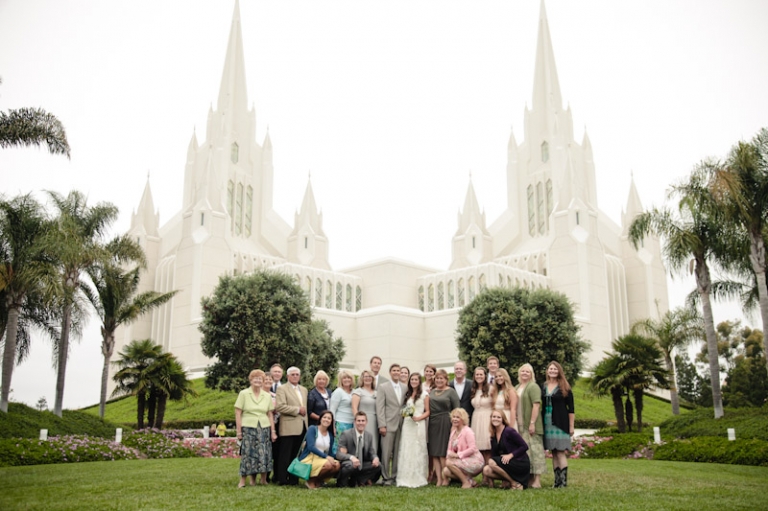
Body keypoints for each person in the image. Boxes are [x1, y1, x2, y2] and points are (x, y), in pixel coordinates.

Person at [234, 369, 277, 487]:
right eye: (255, 378)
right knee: (248, 454)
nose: (258, 381)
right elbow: (238, 412)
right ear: (251, 380)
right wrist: (239, 431)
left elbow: (270, 414)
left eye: (260, 379)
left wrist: (273, 431)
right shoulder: (243, 393)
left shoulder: (267, 396)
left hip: (264, 426)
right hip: (248, 426)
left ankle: (263, 479)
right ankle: (243, 480)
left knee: (264, 453)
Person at [543, 361, 575, 488]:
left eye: (555, 369)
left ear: (559, 371)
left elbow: (571, 409)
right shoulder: (544, 386)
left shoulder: (565, 387)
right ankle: (556, 482)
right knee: (554, 452)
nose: (552, 371)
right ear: (547, 371)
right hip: (547, 421)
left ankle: (564, 482)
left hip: (560, 423)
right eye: (550, 369)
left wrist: (571, 426)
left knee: (560, 451)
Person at [274, 366, 308, 486]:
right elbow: (280, 406)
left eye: (297, 374)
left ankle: (294, 479)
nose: (295, 376)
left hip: (302, 426)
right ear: (287, 376)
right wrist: (297, 410)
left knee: (296, 454)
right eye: (292, 374)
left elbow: (306, 409)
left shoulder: (304, 389)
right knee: (285, 454)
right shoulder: (282, 389)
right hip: (288, 425)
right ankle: (282, 479)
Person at [396, 371, 430, 488]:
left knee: (417, 448)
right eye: (412, 380)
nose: (414, 381)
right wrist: (405, 413)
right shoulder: (407, 394)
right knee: (407, 447)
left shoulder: (424, 394)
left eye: (416, 379)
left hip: (418, 424)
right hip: (407, 424)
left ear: (419, 381)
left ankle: (417, 477)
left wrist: (419, 417)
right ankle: (405, 476)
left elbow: (428, 411)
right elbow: (404, 409)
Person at [427, 369, 460, 486]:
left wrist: (455, 426)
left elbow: (457, 409)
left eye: (442, 378)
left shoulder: (451, 392)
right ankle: (439, 480)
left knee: (442, 452)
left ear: (446, 380)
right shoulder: (431, 391)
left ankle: (445, 477)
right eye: (437, 378)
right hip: (432, 423)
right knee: (434, 452)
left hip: (445, 422)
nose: (439, 380)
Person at [483, 409, 529, 490]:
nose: (495, 419)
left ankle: (513, 483)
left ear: (502, 419)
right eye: (494, 417)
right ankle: (511, 481)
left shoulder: (509, 431)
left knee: (491, 462)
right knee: (486, 470)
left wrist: (510, 455)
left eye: (498, 417)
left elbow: (524, 446)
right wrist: (491, 483)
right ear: (491, 418)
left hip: (519, 461)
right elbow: (494, 455)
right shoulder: (493, 435)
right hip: (506, 462)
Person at [376, 364, 407, 485]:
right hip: (388, 424)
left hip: (401, 424)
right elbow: (380, 407)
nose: (396, 372)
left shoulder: (405, 387)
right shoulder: (383, 387)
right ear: (390, 372)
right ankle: (385, 477)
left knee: (397, 451)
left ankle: (394, 476)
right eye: (394, 370)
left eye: (398, 371)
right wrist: (381, 425)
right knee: (386, 452)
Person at [516, 363, 545, 488]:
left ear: (531, 374)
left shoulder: (533, 387)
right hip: (520, 425)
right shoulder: (517, 386)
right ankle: (528, 479)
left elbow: (536, 405)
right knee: (526, 453)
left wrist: (532, 423)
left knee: (535, 451)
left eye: (527, 371)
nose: (524, 373)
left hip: (530, 425)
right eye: (523, 371)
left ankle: (537, 481)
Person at [335, 411, 382, 487]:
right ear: (354, 422)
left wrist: (375, 458)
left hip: (361, 464)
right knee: (349, 465)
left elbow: (371, 452)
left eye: (363, 421)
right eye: (358, 421)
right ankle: (341, 482)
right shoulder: (346, 434)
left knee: (378, 465)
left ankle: (358, 480)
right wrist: (351, 457)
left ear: (366, 422)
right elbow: (339, 454)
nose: (361, 423)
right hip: (349, 463)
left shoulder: (369, 435)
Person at [298, 410, 341, 489]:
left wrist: (341, 455)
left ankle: (318, 481)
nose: (326, 420)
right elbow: (310, 447)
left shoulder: (330, 435)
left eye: (329, 418)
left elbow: (330, 453)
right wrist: (326, 457)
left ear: (331, 421)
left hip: (322, 458)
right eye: (324, 417)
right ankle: (310, 481)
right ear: (320, 419)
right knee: (328, 465)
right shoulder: (312, 429)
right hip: (310, 457)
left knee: (337, 465)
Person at [443, 408, 484, 489]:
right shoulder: (453, 432)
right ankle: (471, 482)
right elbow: (449, 450)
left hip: (475, 460)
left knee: (449, 463)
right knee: (446, 471)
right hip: (462, 460)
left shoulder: (468, 431)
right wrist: (450, 456)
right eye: (453, 417)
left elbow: (472, 448)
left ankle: (465, 483)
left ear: (463, 419)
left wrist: (458, 455)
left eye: (458, 417)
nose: (455, 419)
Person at [470, 366, 495, 485]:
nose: (479, 376)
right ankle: (484, 478)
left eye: (481, 374)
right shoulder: (474, 390)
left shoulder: (491, 389)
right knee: (480, 450)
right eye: (477, 375)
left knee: (488, 449)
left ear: (485, 376)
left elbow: (495, 405)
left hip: (487, 418)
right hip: (476, 419)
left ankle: (490, 477)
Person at [267, 363, 283, 483]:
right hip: (266, 423)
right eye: (274, 371)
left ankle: (277, 476)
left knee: (278, 451)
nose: (276, 374)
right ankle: (265, 475)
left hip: (281, 424)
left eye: (279, 372)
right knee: (267, 450)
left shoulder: (284, 388)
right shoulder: (265, 386)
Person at [330, 370, 356, 444]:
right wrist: (333, 427)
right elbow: (332, 410)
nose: (347, 379)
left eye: (349, 377)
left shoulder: (354, 392)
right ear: (340, 380)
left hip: (352, 423)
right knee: (339, 446)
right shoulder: (338, 392)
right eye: (344, 378)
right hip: (341, 423)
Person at [351, 370, 378, 441]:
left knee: (373, 440)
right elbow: (354, 408)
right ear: (362, 378)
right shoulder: (358, 391)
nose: (367, 378)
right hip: (362, 420)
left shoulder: (376, 392)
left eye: (370, 376)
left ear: (372, 379)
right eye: (365, 376)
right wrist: (359, 421)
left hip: (374, 421)